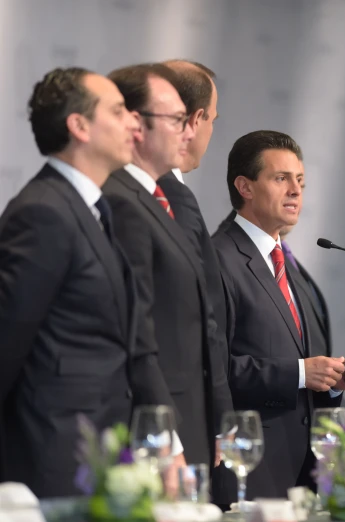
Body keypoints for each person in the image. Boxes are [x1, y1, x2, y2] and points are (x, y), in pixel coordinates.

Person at [0, 67, 170, 496]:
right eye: (118, 111)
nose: (135, 122)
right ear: (79, 126)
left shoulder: (95, 210)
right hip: (50, 462)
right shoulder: (43, 213)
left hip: (98, 455)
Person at [212, 130, 345, 497]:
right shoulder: (217, 259)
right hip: (252, 469)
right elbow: (212, 369)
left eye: (300, 180)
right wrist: (301, 373)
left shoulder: (289, 265)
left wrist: (331, 380)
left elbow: (304, 362)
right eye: (281, 178)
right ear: (245, 187)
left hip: (308, 472)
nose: (296, 191)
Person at [102, 63, 232, 471]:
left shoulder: (165, 198)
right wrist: (162, 430)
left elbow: (204, 320)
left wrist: (219, 419)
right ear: (136, 124)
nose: (190, 132)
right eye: (178, 120)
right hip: (159, 426)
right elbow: (138, 331)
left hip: (189, 416)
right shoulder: (121, 200)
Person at [152, 60, 235, 506]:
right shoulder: (149, 198)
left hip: (197, 427)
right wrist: (172, 440)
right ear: (196, 118)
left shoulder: (178, 194)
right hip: (172, 435)